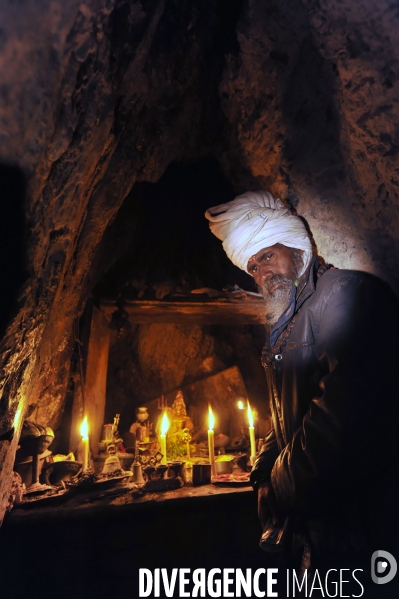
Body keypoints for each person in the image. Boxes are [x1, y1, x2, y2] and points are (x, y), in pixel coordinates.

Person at [205, 191, 399, 595]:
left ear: (298, 247)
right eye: (253, 266)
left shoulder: (347, 294)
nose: (262, 273)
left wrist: (277, 485)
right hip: (321, 538)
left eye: (268, 256)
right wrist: (261, 472)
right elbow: (286, 421)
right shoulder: (291, 326)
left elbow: (341, 424)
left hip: (364, 535)